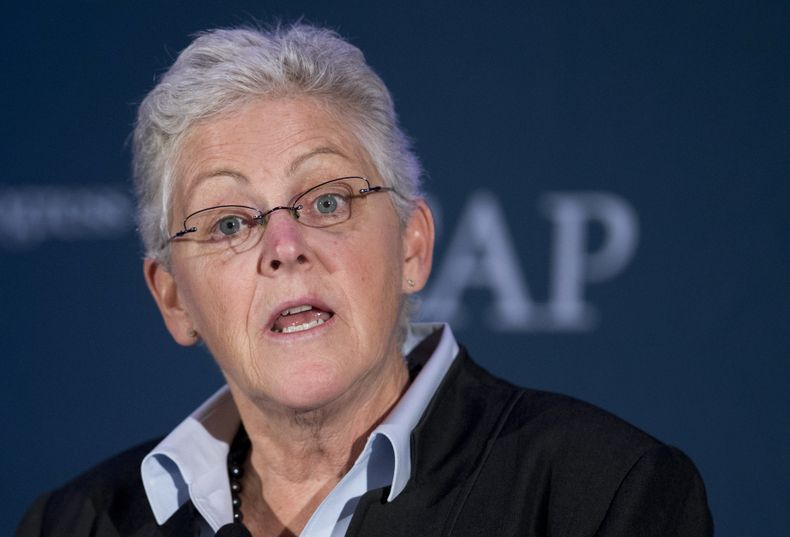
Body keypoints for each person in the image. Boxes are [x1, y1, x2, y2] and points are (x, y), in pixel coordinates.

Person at [15, 23, 713, 537]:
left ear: (413, 244)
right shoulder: (75, 522)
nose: (285, 247)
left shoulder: (598, 495)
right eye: (229, 222)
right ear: (173, 297)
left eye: (326, 201)